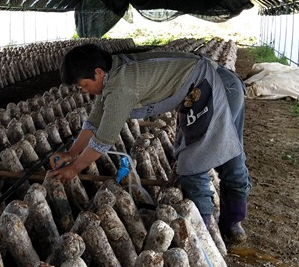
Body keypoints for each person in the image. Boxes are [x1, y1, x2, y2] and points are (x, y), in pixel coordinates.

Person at [47, 42, 251, 244]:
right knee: (224, 153)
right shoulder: (113, 72)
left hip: (214, 87)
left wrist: (74, 168)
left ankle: (204, 237)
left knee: (193, 164)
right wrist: (72, 153)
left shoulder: (120, 86)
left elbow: (103, 140)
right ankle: (232, 224)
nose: (84, 91)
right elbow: (94, 120)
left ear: (98, 72)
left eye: (84, 85)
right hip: (214, 85)